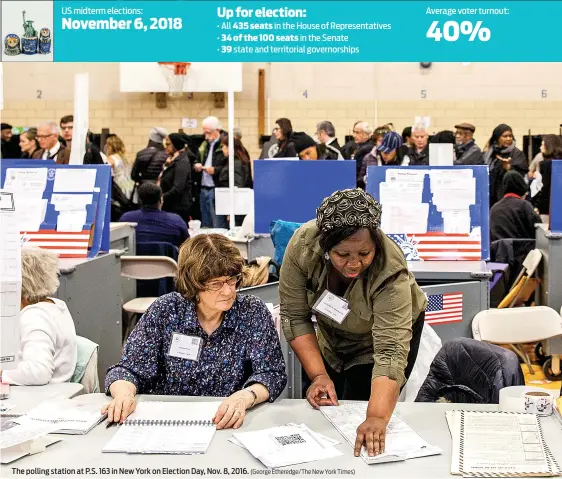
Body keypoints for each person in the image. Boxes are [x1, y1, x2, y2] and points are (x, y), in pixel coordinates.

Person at [279, 189, 427, 457]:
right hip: (332, 333)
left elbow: (390, 352)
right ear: (325, 247)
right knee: (323, 409)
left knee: (362, 408)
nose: (354, 263)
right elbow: (294, 316)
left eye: (364, 252)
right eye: (342, 254)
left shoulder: (390, 270)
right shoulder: (302, 246)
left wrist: (377, 418)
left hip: (379, 341)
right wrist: (319, 375)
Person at [103, 234, 287, 428]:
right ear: (193, 284)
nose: (228, 291)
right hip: (169, 422)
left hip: (228, 421)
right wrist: (124, 394)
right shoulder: (166, 311)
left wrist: (246, 396)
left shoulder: (252, 312)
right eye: (216, 284)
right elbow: (128, 369)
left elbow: (272, 374)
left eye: (232, 280)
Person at [0, 248, 77, 386]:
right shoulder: (56, 306)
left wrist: (2, 372)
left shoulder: (34, 318)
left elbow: (38, 371)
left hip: (37, 398)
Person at [119, 182, 189, 247]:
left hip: (134, 260)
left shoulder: (126, 219)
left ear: (140, 201)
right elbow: (188, 245)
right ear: (161, 200)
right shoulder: (176, 221)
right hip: (168, 260)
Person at [483, 124, 528, 208]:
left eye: (510, 136)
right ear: (497, 138)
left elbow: (521, 176)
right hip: (490, 196)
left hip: (508, 199)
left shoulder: (517, 154)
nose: (508, 139)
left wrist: (508, 167)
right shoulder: (490, 153)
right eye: (505, 136)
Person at [490, 171, 542, 242]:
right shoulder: (525, 206)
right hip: (524, 252)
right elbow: (538, 230)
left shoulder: (494, 209)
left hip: (499, 252)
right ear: (522, 187)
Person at [194, 117, 227, 228]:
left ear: (217, 130)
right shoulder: (204, 144)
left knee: (217, 222)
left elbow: (231, 167)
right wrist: (196, 164)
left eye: (208, 132)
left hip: (217, 187)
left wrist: (215, 170)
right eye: (204, 132)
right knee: (205, 222)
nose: (205, 135)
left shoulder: (225, 144)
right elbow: (196, 159)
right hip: (203, 187)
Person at [159, 133, 195, 225]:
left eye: (168, 144)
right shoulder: (173, 159)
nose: (165, 147)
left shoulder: (182, 162)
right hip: (171, 205)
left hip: (178, 207)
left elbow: (178, 187)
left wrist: (161, 197)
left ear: (176, 145)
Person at [531, 134, 562, 216]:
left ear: (548, 146)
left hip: (547, 209)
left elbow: (544, 188)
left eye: (542, 144)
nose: (540, 147)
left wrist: (538, 206)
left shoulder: (546, 165)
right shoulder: (558, 164)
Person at [105, 135, 135, 201]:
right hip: (130, 187)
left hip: (118, 188)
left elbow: (108, 177)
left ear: (110, 146)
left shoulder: (111, 159)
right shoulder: (128, 158)